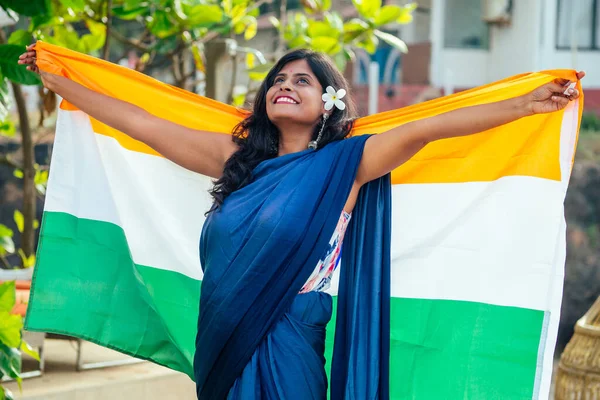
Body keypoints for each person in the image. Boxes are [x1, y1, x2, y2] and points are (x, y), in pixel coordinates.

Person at [19, 44, 584, 400]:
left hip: (292, 338)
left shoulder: (348, 166)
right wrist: (59, 79)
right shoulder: (234, 159)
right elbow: (139, 122)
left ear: (329, 103)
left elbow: (428, 129)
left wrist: (524, 105)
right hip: (221, 340)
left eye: (302, 81)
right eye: (278, 80)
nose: (284, 85)